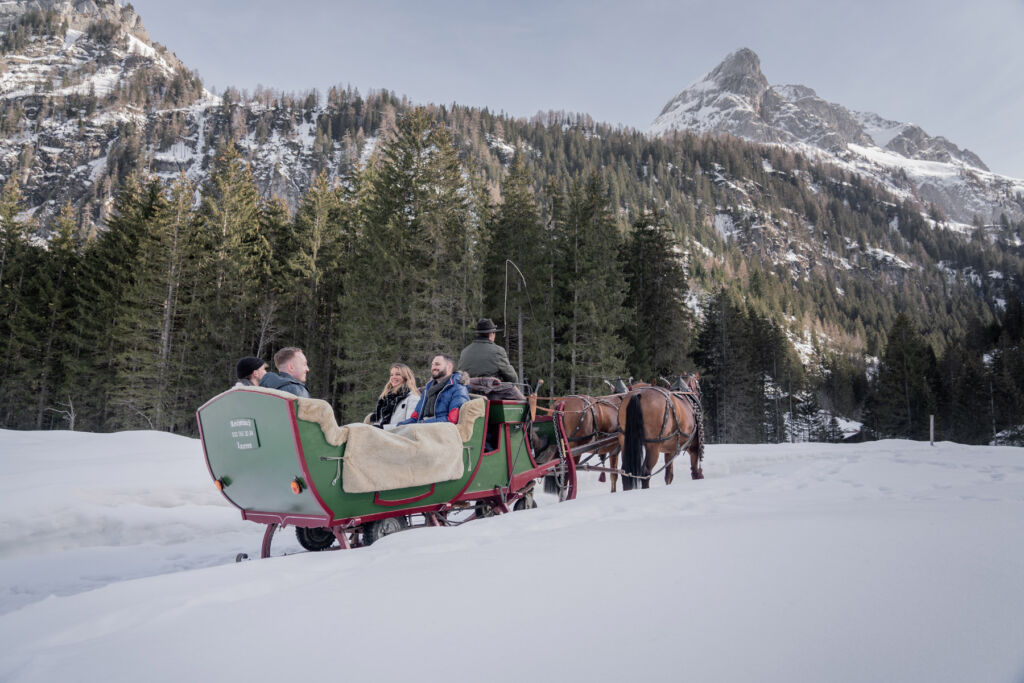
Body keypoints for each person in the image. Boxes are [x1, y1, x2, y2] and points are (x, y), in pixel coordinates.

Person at [398, 354, 469, 425]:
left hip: (441, 431)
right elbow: (415, 418)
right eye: (432, 365)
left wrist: (422, 424)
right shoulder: (428, 388)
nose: (433, 367)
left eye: (437, 364)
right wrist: (401, 425)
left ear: (449, 367)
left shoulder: (458, 388)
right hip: (422, 426)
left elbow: (452, 420)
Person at [458, 318, 518, 384]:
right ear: (491, 334)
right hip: (490, 392)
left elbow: (460, 375)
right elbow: (512, 377)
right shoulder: (498, 351)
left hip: (468, 390)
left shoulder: (464, 351)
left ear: (478, 334)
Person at [371, 363, 420, 431]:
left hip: (398, 438)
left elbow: (410, 425)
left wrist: (384, 428)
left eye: (398, 374)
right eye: (391, 375)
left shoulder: (413, 398)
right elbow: (379, 422)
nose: (393, 377)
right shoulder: (385, 398)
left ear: (405, 377)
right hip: (382, 435)